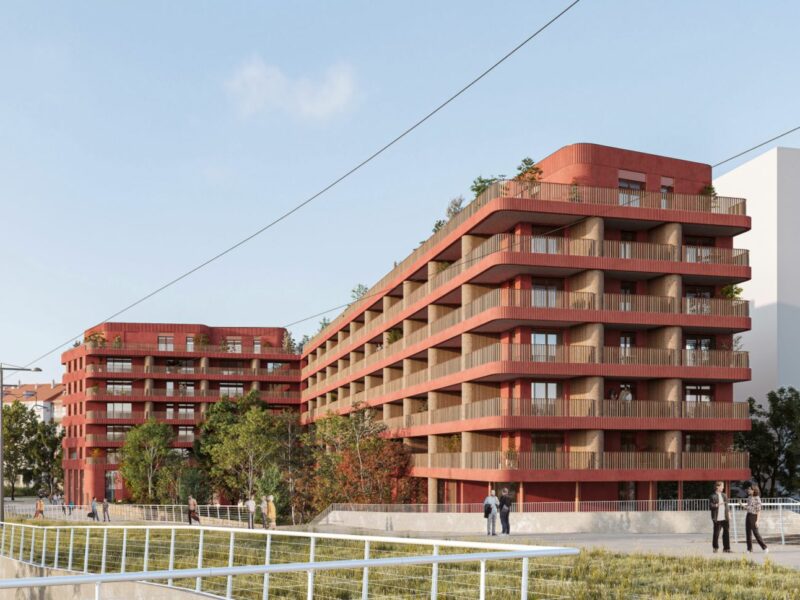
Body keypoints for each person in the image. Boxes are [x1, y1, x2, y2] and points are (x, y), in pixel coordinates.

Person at [745, 485, 768, 554]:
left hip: (754, 516)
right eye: (748, 489)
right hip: (748, 515)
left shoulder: (757, 498)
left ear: (754, 490)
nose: (748, 491)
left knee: (756, 533)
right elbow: (749, 507)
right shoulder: (749, 497)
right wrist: (744, 507)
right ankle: (749, 549)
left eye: (750, 490)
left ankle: (764, 547)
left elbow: (758, 510)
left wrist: (757, 521)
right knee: (748, 533)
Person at [709, 481, 731, 553]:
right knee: (716, 534)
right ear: (717, 487)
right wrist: (717, 505)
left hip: (725, 517)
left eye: (723, 486)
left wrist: (729, 514)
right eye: (722, 486)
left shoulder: (724, 495)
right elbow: (711, 506)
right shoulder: (712, 496)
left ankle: (726, 548)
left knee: (726, 533)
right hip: (717, 518)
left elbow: (727, 506)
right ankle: (715, 548)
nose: (723, 487)